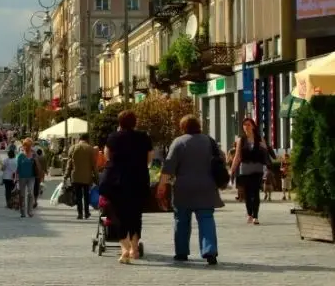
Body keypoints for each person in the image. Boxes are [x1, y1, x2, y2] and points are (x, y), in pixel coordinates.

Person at [157, 115, 224, 266]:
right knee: (206, 219)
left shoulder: (178, 142)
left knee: (181, 220)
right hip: (206, 187)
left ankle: (181, 252)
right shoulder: (209, 141)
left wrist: (162, 186)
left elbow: (168, 167)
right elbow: (221, 159)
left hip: (183, 188)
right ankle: (210, 251)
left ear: (183, 127)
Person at [101, 111, 153, 264]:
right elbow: (149, 159)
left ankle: (124, 249)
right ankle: (134, 249)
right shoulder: (144, 137)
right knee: (136, 214)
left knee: (120, 214)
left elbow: (107, 156)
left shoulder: (113, 137)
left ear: (119, 123)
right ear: (135, 122)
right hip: (138, 180)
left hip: (117, 181)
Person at [231, 118, 270, 225]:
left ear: (253, 126)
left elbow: (265, 154)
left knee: (256, 192)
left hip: (257, 169)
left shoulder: (260, 138)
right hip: (245, 169)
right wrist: (232, 170)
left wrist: (267, 167)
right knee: (247, 193)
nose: (246, 127)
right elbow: (237, 156)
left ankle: (255, 216)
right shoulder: (241, 140)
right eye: (244, 125)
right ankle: (249, 214)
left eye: (248, 125)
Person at [64, 133, 97, 220]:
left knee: (78, 195)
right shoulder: (90, 149)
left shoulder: (73, 148)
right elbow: (94, 165)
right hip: (87, 177)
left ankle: (79, 213)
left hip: (75, 176)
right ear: (87, 139)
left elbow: (69, 164)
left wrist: (66, 175)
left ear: (80, 139)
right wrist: (97, 176)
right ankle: (86, 212)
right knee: (86, 195)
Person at [17, 138, 37, 218]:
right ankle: (22, 211)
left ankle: (30, 211)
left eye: (29, 145)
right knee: (22, 195)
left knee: (30, 193)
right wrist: (16, 178)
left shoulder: (34, 155)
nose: (28, 147)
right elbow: (17, 167)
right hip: (22, 177)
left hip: (31, 177)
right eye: (26, 145)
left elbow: (38, 166)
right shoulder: (20, 156)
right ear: (24, 146)